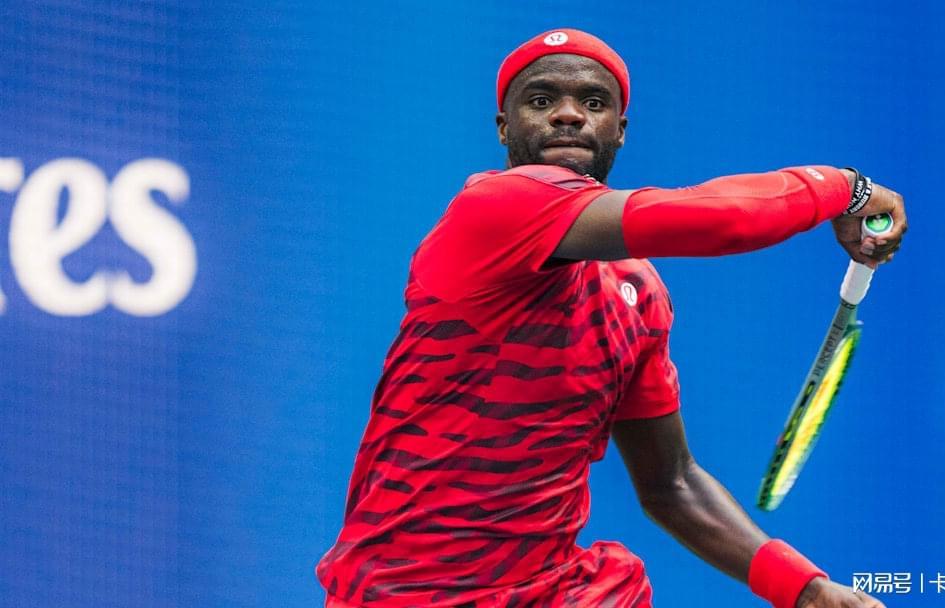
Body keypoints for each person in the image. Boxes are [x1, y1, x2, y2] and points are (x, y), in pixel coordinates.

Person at [318, 28, 906, 608]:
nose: (568, 115)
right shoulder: (492, 209)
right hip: (407, 592)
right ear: (504, 127)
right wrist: (847, 188)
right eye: (541, 100)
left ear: (619, 130)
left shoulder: (635, 293)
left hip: (556, 592)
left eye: (593, 103)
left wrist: (807, 590)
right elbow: (725, 218)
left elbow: (672, 484)